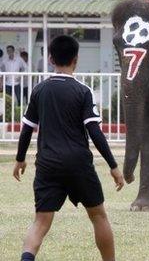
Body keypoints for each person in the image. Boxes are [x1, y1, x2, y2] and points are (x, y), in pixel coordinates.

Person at [13, 35, 124, 261]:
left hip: (47, 163)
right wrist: (113, 166)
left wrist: (20, 158)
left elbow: (27, 129)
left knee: (41, 222)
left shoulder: (40, 90)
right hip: (78, 163)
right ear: (76, 59)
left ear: (51, 59)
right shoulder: (83, 91)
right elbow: (94, 131)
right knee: (98, 217)